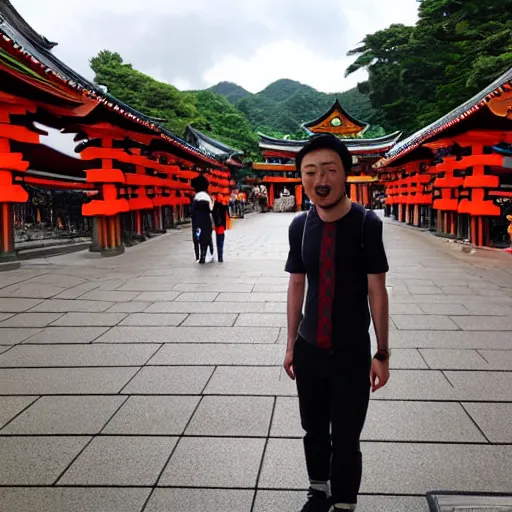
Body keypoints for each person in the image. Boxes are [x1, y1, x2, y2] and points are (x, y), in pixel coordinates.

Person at [283, 133, 390, 512]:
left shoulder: (366, 225)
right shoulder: (299, 226)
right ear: (302, 178)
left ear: (346, 174)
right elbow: (297, 283)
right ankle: (318, 490)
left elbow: (377, 289)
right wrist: (291, 343)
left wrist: (382, 352)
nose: (320, 180)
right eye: (310, 172)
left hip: (351, 352)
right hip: (310, 349)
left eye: (330, 170)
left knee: (346, 435)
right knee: (313, 430)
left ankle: (344, 501)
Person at [191, 175, 214, 264]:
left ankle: (200, 257)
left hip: (197, 220)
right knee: (206, 237)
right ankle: (207, 255)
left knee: (198, 237)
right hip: (206, 219)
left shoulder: (197, 197)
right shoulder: (208, 197)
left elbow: (192, 211)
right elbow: (211, 209)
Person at [212, 194, 230, 262]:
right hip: (220, 221)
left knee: (219, 237)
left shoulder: (213, 198)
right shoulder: (224, 198)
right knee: (220, 238)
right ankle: (220, 256)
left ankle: (217, 255)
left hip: (215, 221)